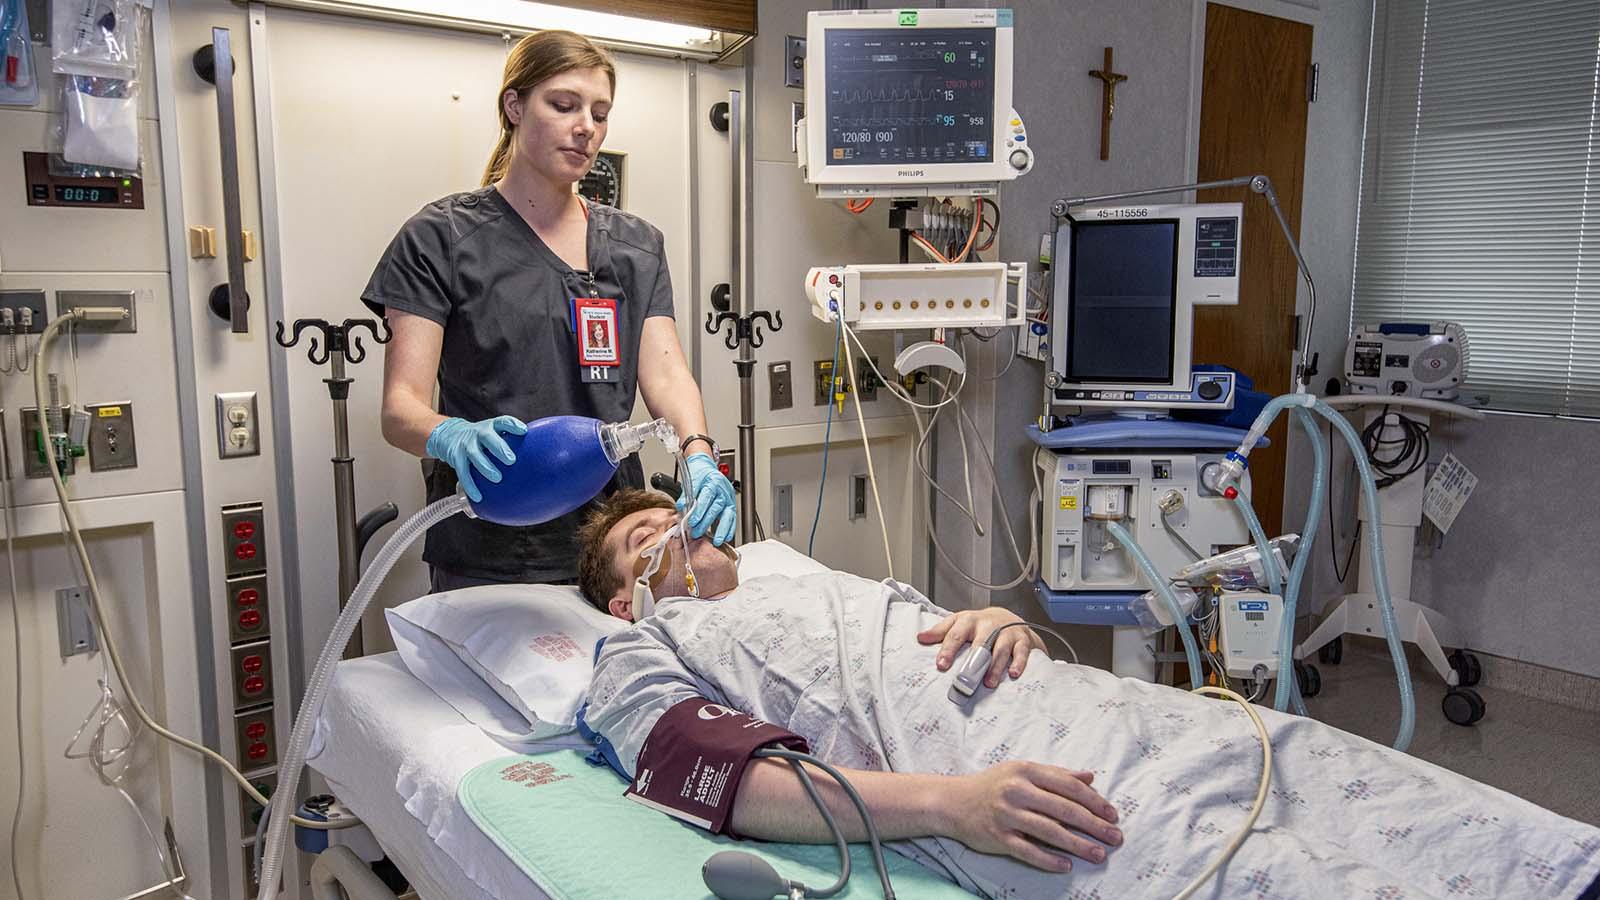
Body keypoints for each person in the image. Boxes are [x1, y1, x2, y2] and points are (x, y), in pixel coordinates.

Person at [575, 489, 1600, 899]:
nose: (675, 523)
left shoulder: (814, 577)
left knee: (1357, 777)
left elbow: (941, 638)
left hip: (1116, 709)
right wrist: (950, 808)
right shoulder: (642, 649)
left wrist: (1002, 620)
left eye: (677, 506)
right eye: (642, 536)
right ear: (623, 595)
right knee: (1269, 873)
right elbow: (726, 781)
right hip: (1025, 787)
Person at [363, 31, 734, 593]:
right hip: (490, 544)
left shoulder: (636, 245)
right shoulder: (441, 239)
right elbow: (400, 409)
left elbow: (664, 372)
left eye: (600, 113)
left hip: (612, 547)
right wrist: (450, 435)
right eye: (564, 105)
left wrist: (699, 453)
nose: (586, 126)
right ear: (514, 106)